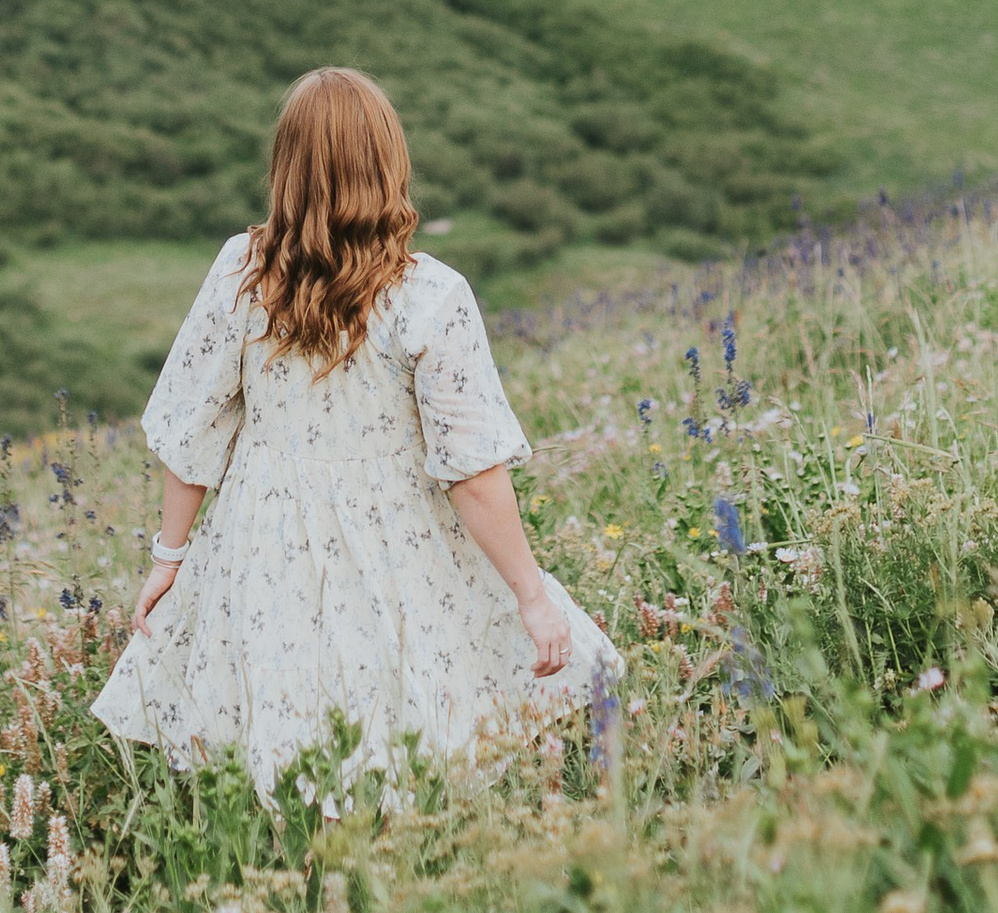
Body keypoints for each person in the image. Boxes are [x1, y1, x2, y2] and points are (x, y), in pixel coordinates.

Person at [91, 65, 619, 791]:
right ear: (389, 163)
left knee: (288, 743)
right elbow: (470, 471)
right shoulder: (432, 296)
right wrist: (529, 594)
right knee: (407, 730)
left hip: (262, 540)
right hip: (399, 540)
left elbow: (196, 431)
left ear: (286, 169)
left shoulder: (240, 274)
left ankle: (306, 891)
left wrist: (169, 556)